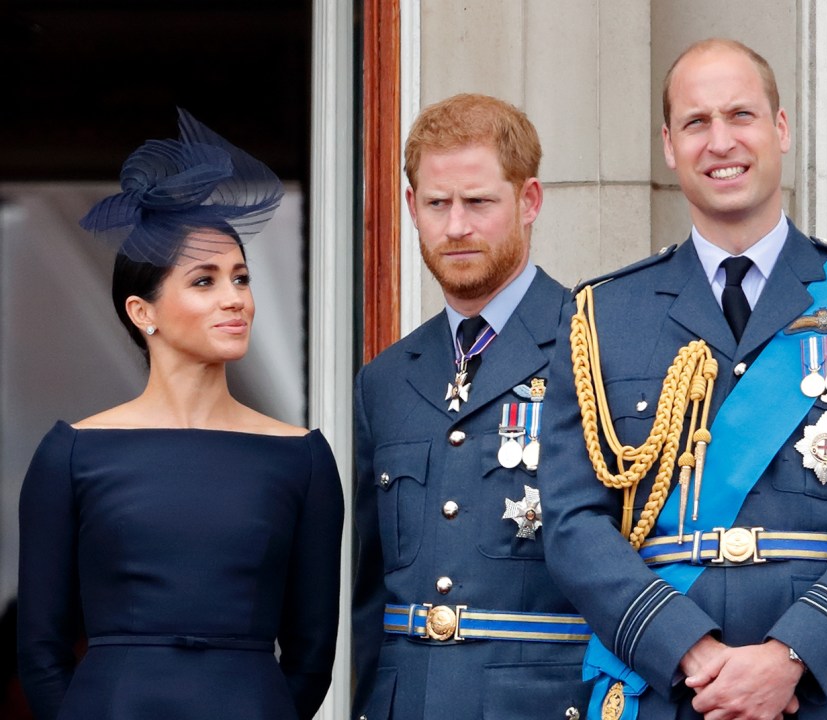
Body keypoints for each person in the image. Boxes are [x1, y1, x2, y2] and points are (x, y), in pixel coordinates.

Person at [539, 39, 827, 719]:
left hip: (823, 691)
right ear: (669, 145)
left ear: (780, 130)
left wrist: (792, 658)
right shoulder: (600, 315)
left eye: (741, 115)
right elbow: (574, 520)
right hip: (670, 687)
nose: (720, 140)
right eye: (696, 122)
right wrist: (689, 653)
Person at [17, 110, 344, 720]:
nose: (235, 299)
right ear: (144, 313)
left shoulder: (302, 457)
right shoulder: (71, 453)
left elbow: (312, 653)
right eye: (204, 281)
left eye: (241, 278)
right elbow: (39, 649)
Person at [351, 93, 592, 720]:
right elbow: (366, 595)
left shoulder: (595, 348)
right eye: (437, 203)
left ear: (529, 200)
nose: (456, 226)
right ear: (412, 208)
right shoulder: (384, 380)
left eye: (479, 202)